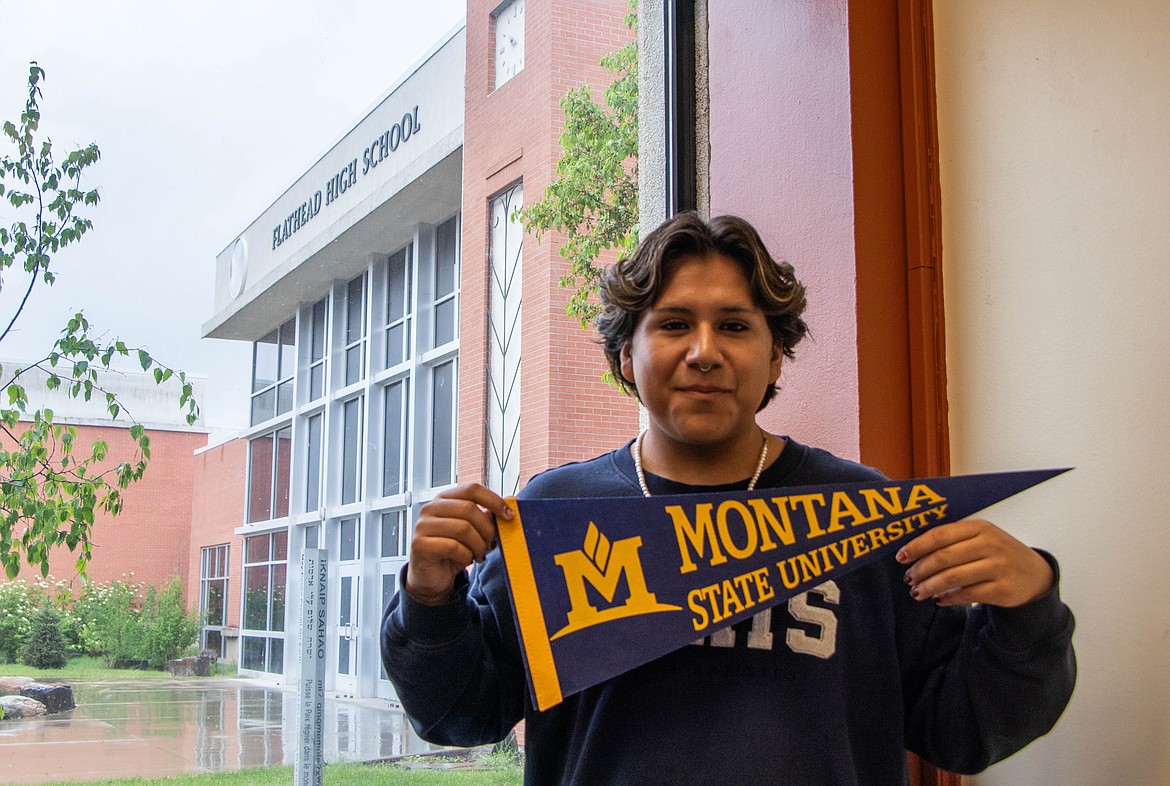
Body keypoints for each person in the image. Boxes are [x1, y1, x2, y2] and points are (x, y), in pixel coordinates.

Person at [381, 213, 1075, 785]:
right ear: (627, 356)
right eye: (674, 324)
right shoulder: (557, 511)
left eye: (736, 326)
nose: (705, 351)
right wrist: (430, 597)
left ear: (776, 357)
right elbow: (461, 717)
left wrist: (1028, 610)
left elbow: (965, 732)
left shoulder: (867, 513)